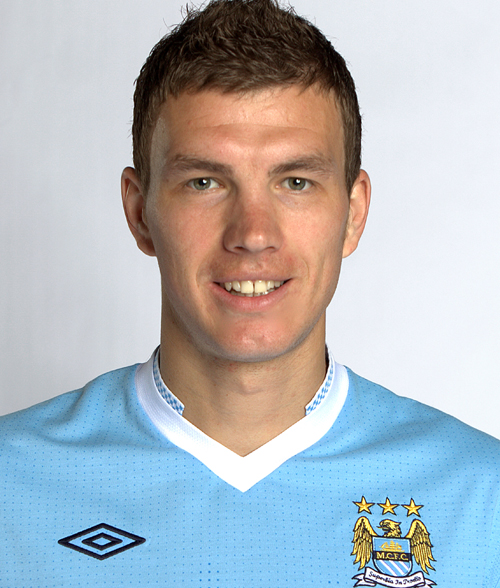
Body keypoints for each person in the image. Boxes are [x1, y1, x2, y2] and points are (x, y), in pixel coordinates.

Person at [1, 0, 499, 586]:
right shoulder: (12, 486)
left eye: (296, 181)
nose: (253, 233)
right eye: (205, 182)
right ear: (139, 213)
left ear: (353, 214)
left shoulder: (481, 497)